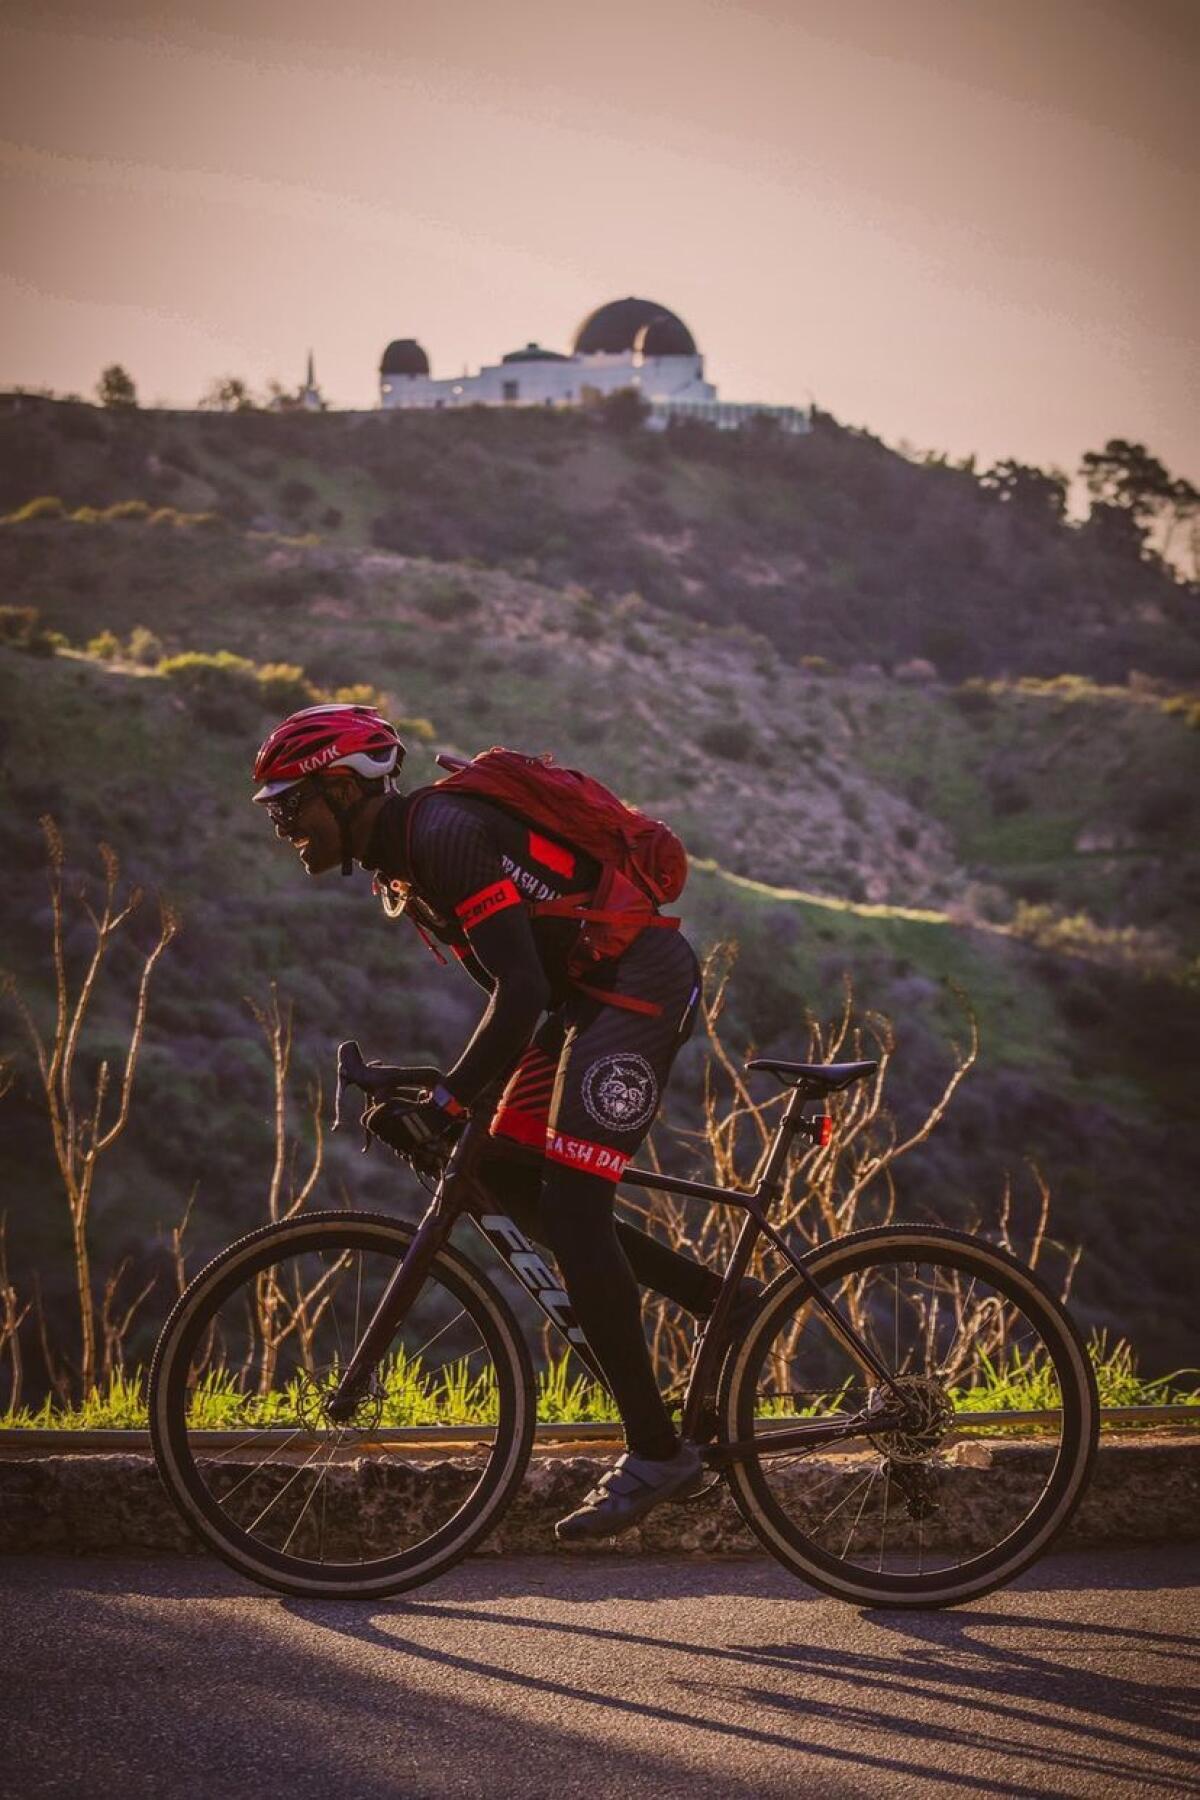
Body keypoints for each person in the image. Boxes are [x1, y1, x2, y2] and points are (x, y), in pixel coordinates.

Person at [253, 702, 749, 1539]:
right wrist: (450, 1100)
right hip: (578, 1003)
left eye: (288, 804)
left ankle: (657, 1451)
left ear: (339, 787)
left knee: (575, 1210)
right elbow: (516, 989)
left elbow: (519, 990)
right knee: (512, 1180)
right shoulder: (403, 862)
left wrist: (452, 1097)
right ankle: (724, 1304)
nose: (281, 826)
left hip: (633, 989)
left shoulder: (440, 833)